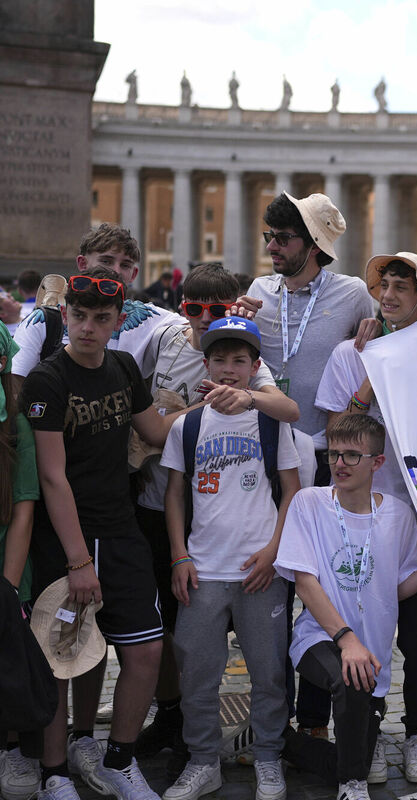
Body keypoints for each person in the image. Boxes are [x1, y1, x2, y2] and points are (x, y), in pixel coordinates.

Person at [20, 268, 190, 800]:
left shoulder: (121, 366)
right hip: (68, 539)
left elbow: (155, 431)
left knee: (145, 651)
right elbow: (52, 476)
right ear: (65, 314)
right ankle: (54, 773)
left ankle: (119, 759)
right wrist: (77, 560)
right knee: (61, 656)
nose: (87, 327)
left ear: (118, 323)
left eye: (100, 318)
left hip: (120, 532)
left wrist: (212, 403)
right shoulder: (50, 379)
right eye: (78, 316)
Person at [134, 265, 299, 772]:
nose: (228, 368)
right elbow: (174, 488)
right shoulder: (169, 359)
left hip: (256, 558)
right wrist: (180, 553)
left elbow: (288, 428)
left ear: (252, 365)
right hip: (190, 549)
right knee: (189, 659)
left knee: (268, 669)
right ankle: (194, 747)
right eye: (195, 310)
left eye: (238, 361)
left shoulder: (264, 405)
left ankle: (268, 754)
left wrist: (276, 549)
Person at [240, 192, 374, 740]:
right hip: (267, 452)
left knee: (321, 587)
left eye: (283, 238)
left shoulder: (354, 295)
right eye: (268, 236)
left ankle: (316, 724)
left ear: (314, 246)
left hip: (324, 457)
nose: (271, 246)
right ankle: (272, 720)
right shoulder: (257, 291)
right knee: (272, 590)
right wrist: (235, 322)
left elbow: (372, 360)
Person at [314, 252, 417, 784]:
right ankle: (357, 732)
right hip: (357, 513)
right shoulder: (351, 353)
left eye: (401, 288)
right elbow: (337, 432)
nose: (388, 295)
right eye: (383, 285)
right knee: (354, 621)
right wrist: (373, 376)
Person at [275, 415, 417, 800]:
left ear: (378, 462)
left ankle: (282, 743)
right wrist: (346, 638)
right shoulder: (309, 503)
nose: (340, 463)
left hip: (370, 657)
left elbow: (396, 589)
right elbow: (305, 582)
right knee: (351, 680)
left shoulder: (399, 515)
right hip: (320, 638)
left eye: (353, 455)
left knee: (351, 752)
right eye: (336, 454)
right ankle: (351, 789)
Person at [12, 224, 182, 391]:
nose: (115, 271)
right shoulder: (43, 321)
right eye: (106, 261)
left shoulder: (151, 318)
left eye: (125, 265)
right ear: (82, 263)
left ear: (133, 274)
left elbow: (196, 332)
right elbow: (15, 389)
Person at [0, 325, 41, 800]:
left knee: (9, 656)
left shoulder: (15, 422)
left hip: (9, 568)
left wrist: (8, 591)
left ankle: (13, 747)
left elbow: (24, 506)